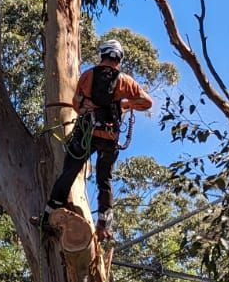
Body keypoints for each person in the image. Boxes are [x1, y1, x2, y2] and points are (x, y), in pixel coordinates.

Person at [39, 40, 152, 239]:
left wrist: (89, 107)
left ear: (103, 55)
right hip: (109, 137)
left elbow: (77, 106)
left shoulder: (88, 76)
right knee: (104, 180)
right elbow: (147, 102)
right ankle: (104, 226)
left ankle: (48, 217)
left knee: (69, 172)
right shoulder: (126, 81)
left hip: (87, 133)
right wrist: (124, 104)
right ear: (119, 58)